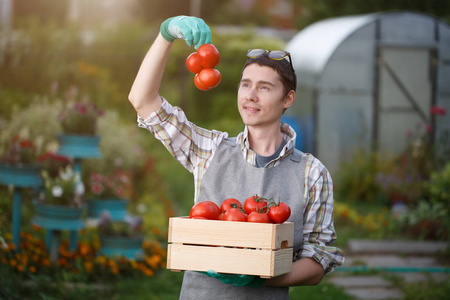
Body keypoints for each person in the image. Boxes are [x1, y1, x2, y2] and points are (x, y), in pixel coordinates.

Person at [129, 16, 345, 300]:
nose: (251, 96)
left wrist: (261, 281)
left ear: (288, 98)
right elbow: (143, 101)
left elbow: (318, 261)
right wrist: (165, 35)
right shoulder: (209, 150)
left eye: (264, 87)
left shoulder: (312, 173)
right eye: (246, 85)